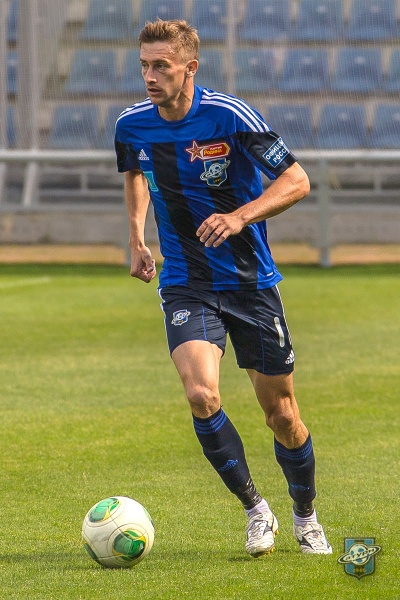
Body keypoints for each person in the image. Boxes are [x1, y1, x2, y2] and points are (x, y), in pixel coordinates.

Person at [114, 19, 332, 557]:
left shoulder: (230, 116)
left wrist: (239, 216)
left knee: (283, 416)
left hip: (250, 283)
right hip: (186, 282)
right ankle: (257, 510)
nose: (150, 76)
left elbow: (297, 180)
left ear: (189, 67)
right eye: (144, 65)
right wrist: (137, 237)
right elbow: (135, 171)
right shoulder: (131, 125)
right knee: (200, 394)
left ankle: (306, 516)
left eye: (161, 65)